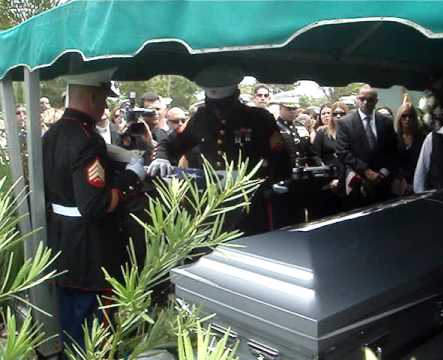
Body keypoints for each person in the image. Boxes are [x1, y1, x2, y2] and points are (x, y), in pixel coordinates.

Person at [42, 69, 146, 350]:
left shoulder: (51, 134)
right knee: (94, 341)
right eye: (103, 99)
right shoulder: (87, 139)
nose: (104, 107)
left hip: (62, 248)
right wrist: (131, 177)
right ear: (91, 95)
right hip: (91, 254)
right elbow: (94, 205)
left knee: (70, 331)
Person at [153, 65, 290, 234]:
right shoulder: (199, 119)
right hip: (208, 205)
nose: (217, 111)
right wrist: (161, 157)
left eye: (222, 106)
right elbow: (170, 144)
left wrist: (264, 182)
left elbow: (280, 157)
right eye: (213, 104)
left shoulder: (259, 118)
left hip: (248, 204)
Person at [336, 85, 398, 206]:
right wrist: (366, 171)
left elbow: (393, 150)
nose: (365, 102)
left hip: (383, 183)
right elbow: (343, 152)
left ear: (376, 101)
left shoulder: (386, 122)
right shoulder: (345, 123)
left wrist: (383, 173)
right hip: (358, 183)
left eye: (370, 99)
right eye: (362, 98)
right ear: (357, 99)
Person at [276, 97, 318, 168]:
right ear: (280, 108)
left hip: (301, 172)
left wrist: (318, 167)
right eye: (289, 109)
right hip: (282, 171)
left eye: (294, 109)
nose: (292, 111)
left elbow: (310, 152)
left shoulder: (300, 127)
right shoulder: (273, 127)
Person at [394, 102, 425, 191]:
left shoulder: (422, 137)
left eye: (411, 116)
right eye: (404, 116)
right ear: (399, 118)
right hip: (400, 185)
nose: (407, 119)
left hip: (420, 182)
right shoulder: (394, 138)